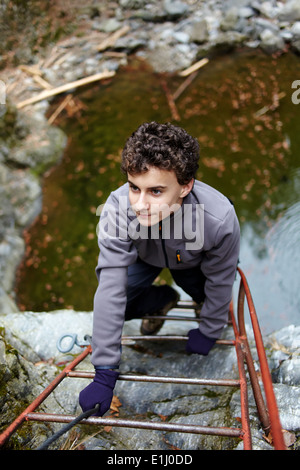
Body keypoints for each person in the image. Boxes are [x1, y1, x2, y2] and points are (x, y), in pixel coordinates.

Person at [79, 122, 240, 416]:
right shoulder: (117, 209)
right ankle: (161, 300)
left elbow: (221, 278)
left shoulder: (218, 218)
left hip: (193, 263)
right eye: (133, 187)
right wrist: (104, 371)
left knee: (208, 293)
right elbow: (110, 287)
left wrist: (210, 329)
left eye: (155, 190)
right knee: (120, 303)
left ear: (186, 185)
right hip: (145, 258)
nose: (140, 204)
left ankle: (199, 305)